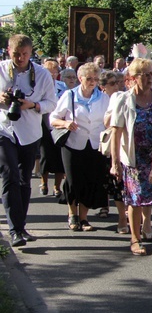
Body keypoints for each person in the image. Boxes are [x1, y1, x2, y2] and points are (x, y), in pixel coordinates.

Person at [108, 58, 152, 257]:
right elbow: (116, 132)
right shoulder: (123, 100)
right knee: (135, 200)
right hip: (134, 159)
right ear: (134, 78)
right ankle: (135, 239)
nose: (150, 78)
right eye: (145, 74)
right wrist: (115, 163)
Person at [0, 35, 57, 247]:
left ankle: (21, 225)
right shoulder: (1, 69)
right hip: (4, 130)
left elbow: (52, 103)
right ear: (8, 50)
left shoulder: (41, 74)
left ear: (31, 52)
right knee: (10, 176)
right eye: (16, 54)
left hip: (30, 132)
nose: (20, 58)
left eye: (25, 54)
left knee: (24, 180)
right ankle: (14, 230)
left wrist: (32, 105)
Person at [50, 63, 110, 232]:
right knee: (73, 180)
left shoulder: (103, 98)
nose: (92, 82)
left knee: (90, 180)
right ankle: (72, 214)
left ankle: (84, 218)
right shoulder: (69, 95)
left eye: (95, 79)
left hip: (95, 145)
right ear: (80, 78)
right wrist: (65, 123)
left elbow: (108, 120)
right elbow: (53, 119)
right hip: (73, 145)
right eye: (89, 78)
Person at [99, 70, 128, 230]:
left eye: (118, 82)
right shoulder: (112, 99)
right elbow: (106, 122)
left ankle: (137, 220)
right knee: (116, 182)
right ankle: (122, 217)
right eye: (112, 83)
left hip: (131, 144)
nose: (117, 86)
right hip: (114, 144)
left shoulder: (127, 95)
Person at [39, 60, 65, 198]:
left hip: (59, 125)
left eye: (55, 72)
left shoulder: (62, 86)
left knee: (59, 157)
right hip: (44, 124)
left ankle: (57, 186)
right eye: (50, 72)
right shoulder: (40, 86)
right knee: (45, 156)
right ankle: (43, 182)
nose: (53, 75)